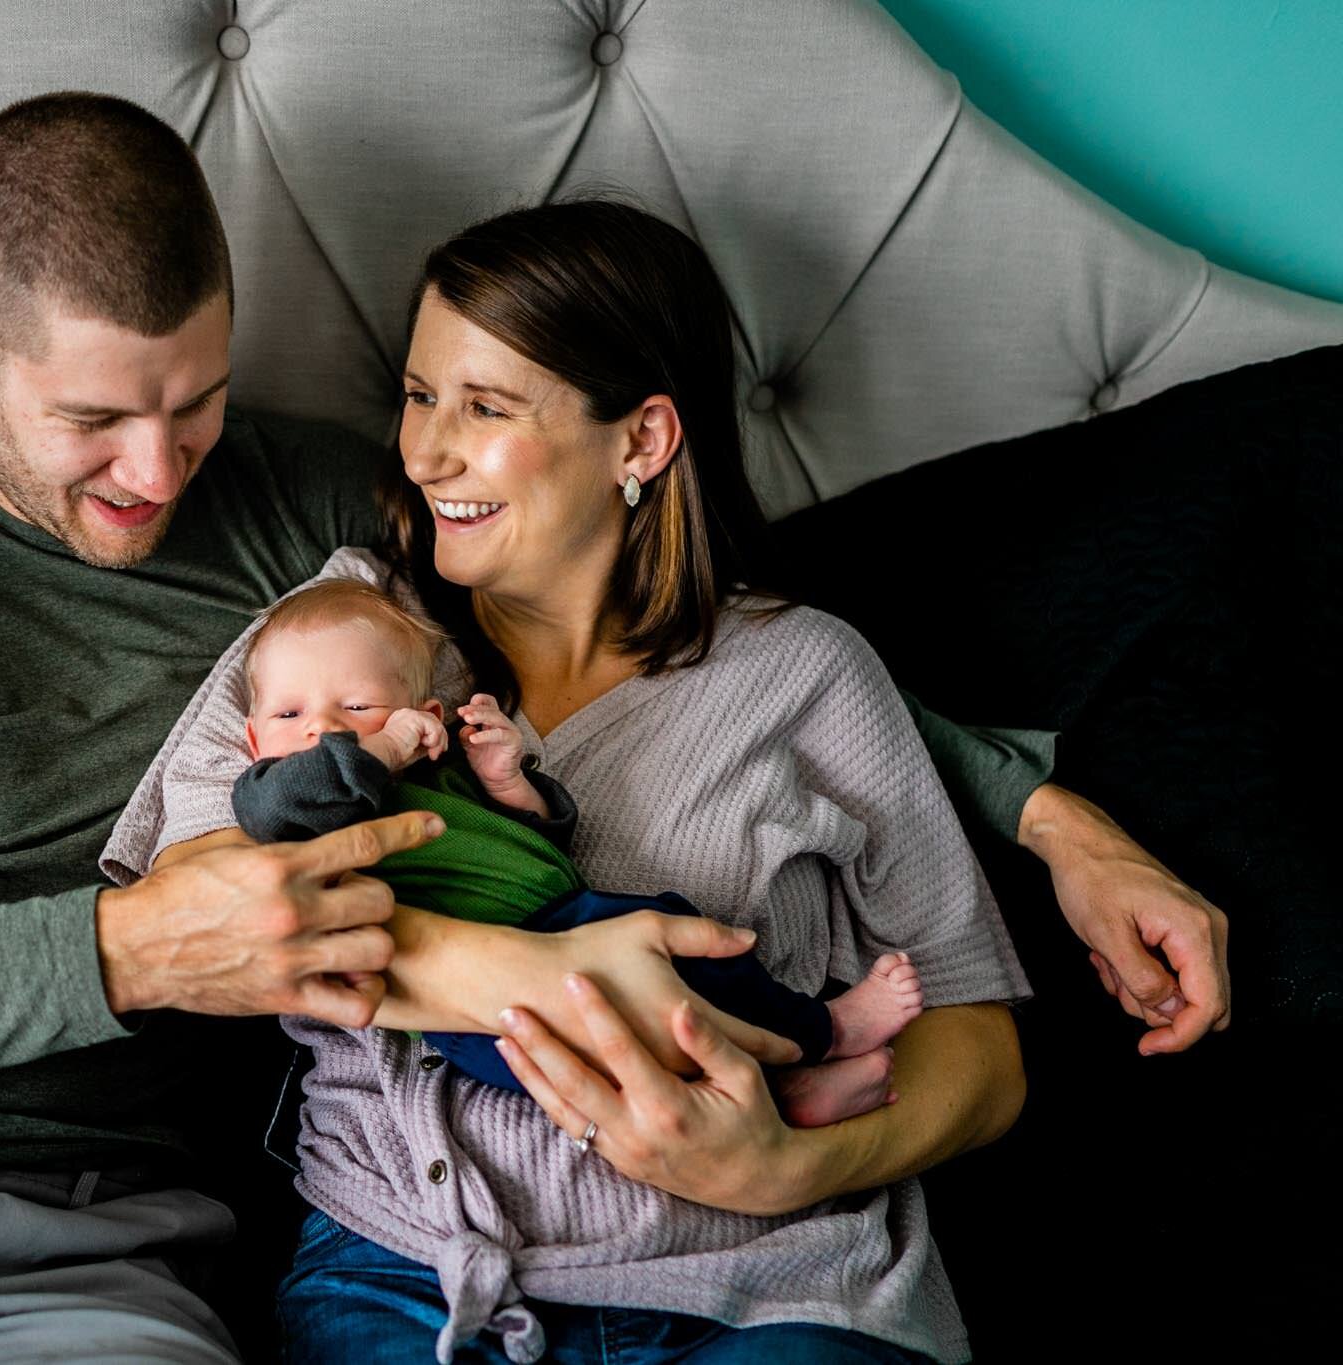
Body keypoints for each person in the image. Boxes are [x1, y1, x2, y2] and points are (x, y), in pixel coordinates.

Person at [0, 92, 1228, 1363]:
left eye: (197, 404)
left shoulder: (307, 513)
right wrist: (127, 947)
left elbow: (683, 645)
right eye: (95, 427)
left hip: (92, 1229)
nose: (155, 478)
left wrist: (1048, 814)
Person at [102, 199, 1035, 1363]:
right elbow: (201, 895)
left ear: (640, 442)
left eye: (485, 409)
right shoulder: (343, 630)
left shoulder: (805, 671)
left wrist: (792, 1161)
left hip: (768, 1280)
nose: (424, 450)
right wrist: (528, 973)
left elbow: (977, 1040)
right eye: (419, 394)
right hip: (411, 1273)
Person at [229, 577, 924, 1127]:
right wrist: (379, 742)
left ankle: (788, 1072)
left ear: (426, 719)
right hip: (465, 999)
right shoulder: (280, 798)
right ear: (256, 743)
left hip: (566, 914)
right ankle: (822, 1035)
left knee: (688, 949)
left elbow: (537, 845)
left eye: (356, 707)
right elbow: (298, 798)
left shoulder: (436, 780)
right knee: (598, 1042)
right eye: (289, 714)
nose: (322, 730)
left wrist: (509, 782)